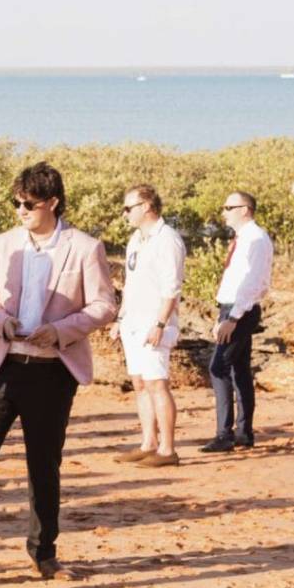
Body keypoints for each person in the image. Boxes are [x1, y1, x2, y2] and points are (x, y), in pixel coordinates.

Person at [0, 162, 117, 581]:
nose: (20, 210)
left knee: (44, 465)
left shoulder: (85, 247)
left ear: (52, 202)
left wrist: (61, 330)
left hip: (53, 370)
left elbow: (104, 305)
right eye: (15, 203)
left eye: (28, 204)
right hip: (1, 365)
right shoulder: (3, 244)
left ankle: (43, 553)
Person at [116, 184, 187, 467]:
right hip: (132, 321)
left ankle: (168, 449)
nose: (125, 214)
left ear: (146, 206)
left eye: (128, 208)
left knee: (157, 383)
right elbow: (130, 282)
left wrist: (160, 323)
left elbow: (172, 287)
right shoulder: (136, 239)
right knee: (139, 383)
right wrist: (120, 318)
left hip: (154, 321)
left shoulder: (167, 239)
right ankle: (149, 442)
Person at [203, 191, 274, 453]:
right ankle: (243, 433)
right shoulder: (245, 238)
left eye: (228, 207)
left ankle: (225, 434)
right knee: (239, 370)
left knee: (218, 368)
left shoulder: (255, 239)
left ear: (245, 209)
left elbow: (252, 282)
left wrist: (232, 317)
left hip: (240, 311)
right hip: (234, 308)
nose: (224, 212)